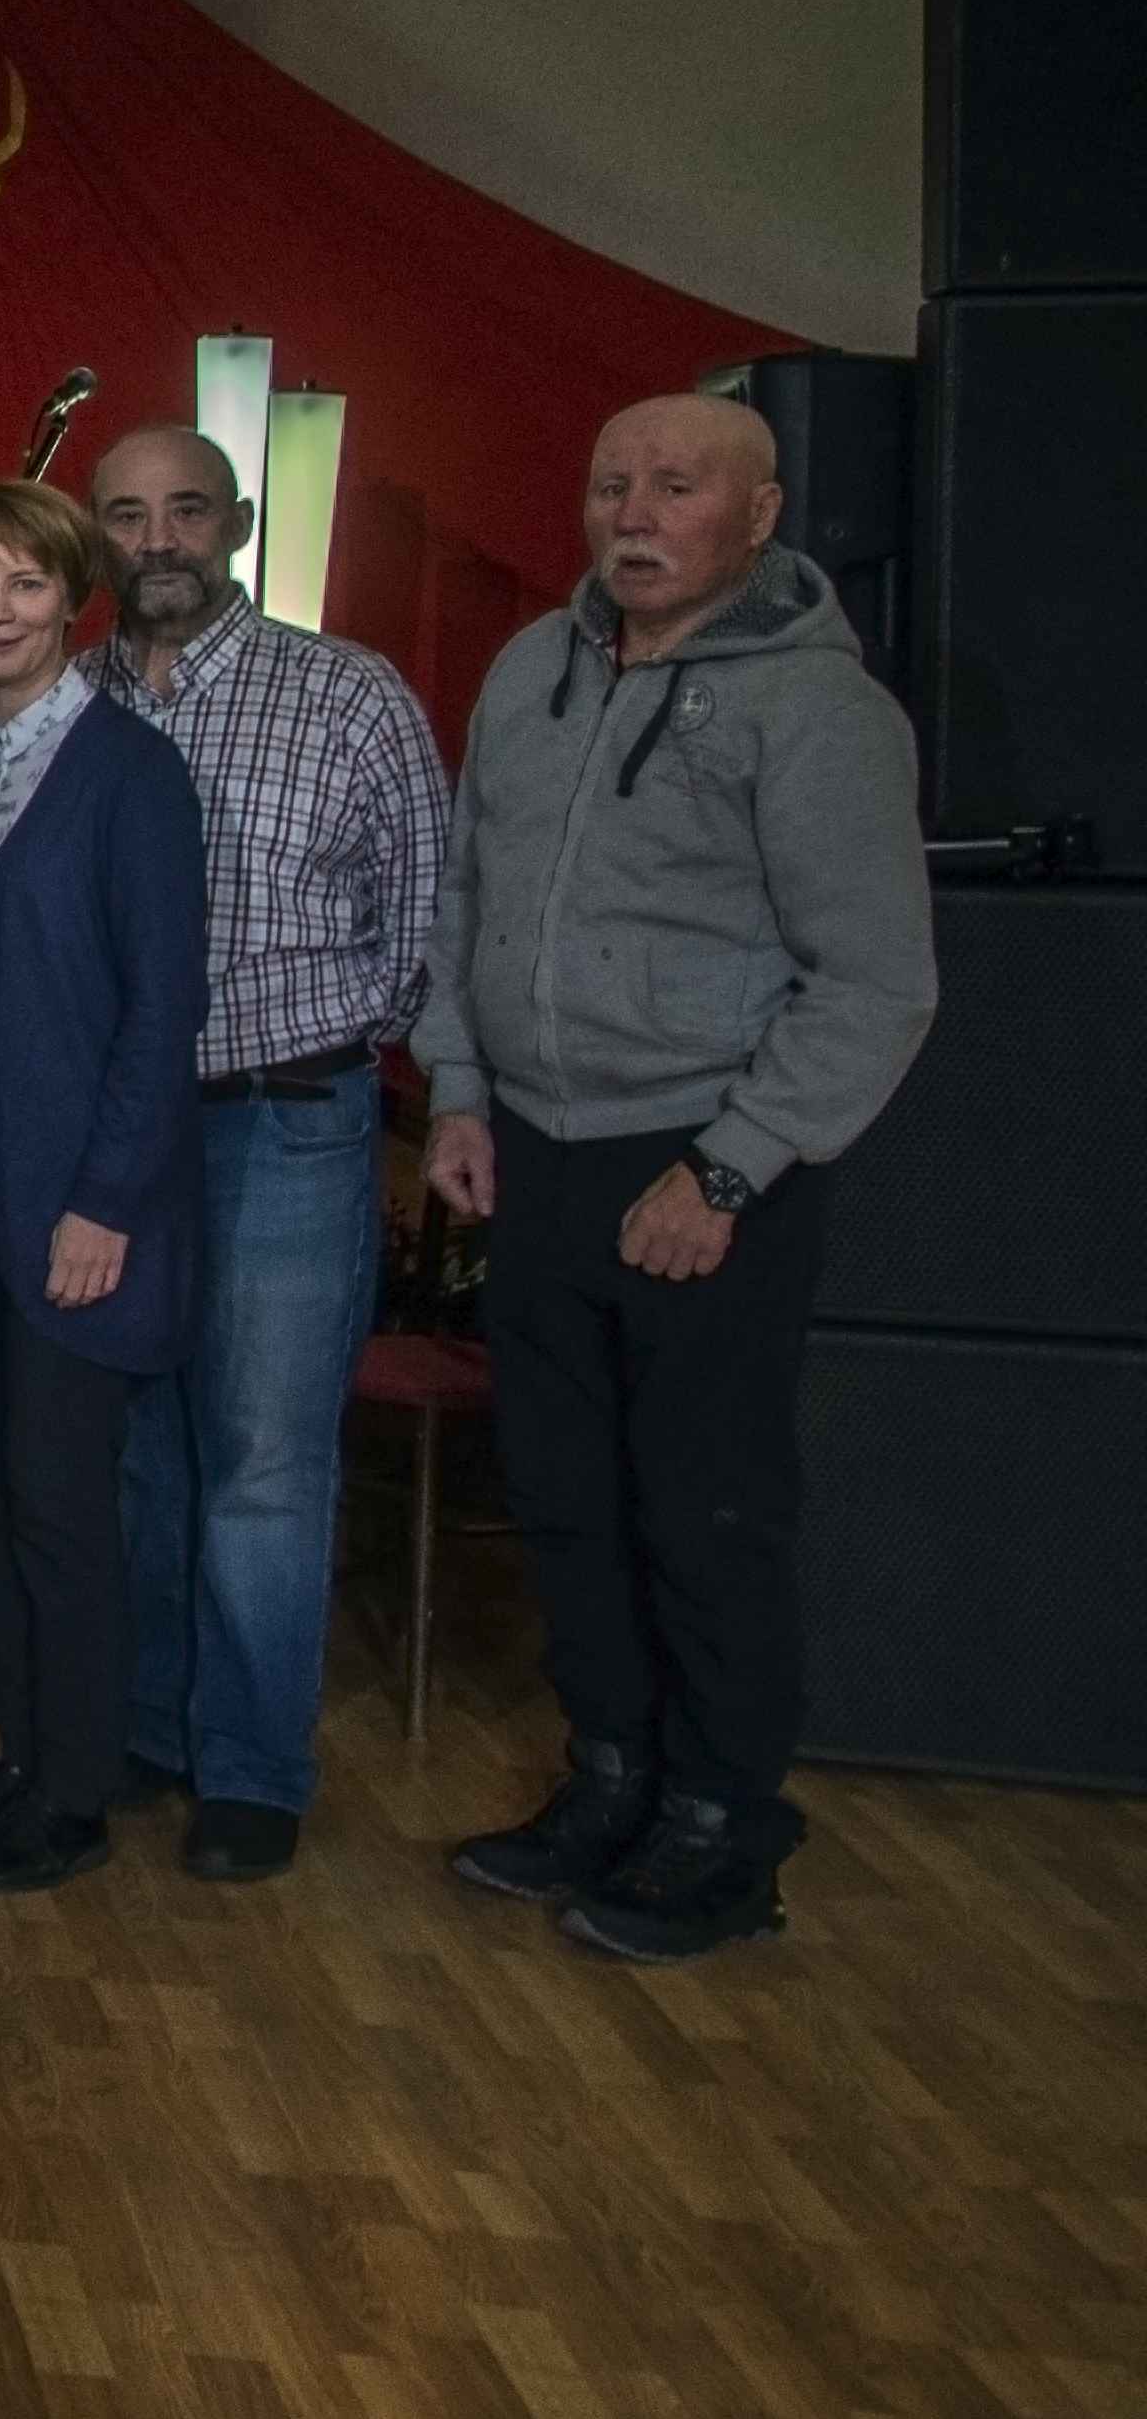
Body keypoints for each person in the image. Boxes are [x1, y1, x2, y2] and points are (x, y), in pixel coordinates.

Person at [419, 392, 934, 1965]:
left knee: (702, 1516)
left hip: (702, 1167)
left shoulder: (820, 710)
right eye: (610, 483)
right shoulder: (534, 669)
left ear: (761, 516)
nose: (633, 513)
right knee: (566, 1506)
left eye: (676, 487)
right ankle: (613, 1783)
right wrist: (458, 1088)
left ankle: (721, 1828)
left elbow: (877, 985)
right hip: (536, 1153)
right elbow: (466, 894)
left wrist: (725, 1171)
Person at [85, 420, 450, 1880]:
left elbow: (424, 922)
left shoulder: (345, 694)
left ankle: (249, 1767)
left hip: (282, 1124)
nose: (156, 540)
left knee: (262, 1462)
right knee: (142, 1452)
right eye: (125, 516)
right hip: (119, 1139)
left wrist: (323, 1055)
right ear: (93, 539)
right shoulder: (74, 696)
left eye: (184, 511)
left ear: (232, 525)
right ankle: (154, 1730)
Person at [0, 480, 207, 1899]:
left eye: (23, 586)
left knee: (68, 1508)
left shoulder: (133, 775)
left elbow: (161, 1011)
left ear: (72, 598)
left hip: (68, 1209)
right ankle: (21, 1762)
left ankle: (77, 1789)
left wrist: (107, 1202)